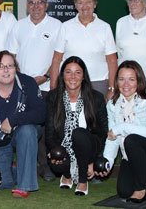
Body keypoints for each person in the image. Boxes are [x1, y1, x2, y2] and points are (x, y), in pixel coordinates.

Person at [0, 51, 46, 198]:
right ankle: (17, 168)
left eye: (10, 66)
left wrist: (13, 120)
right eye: (0, 66)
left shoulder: (28, 83)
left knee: (26, 131)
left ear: (16, 69)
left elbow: (42, 114)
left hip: (25, 132)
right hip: (0, 142)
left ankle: (24, 186)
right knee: (2, 183)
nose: (6, 70)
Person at [8, 0, 61, 182]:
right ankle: (28, 165)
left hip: (47, 86)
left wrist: (46, 76)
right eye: (32, 3)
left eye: (40, 3)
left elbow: (58, 57)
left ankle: (47, 166)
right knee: (27, 126)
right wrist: (24, 80)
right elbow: (12, 55)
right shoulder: (18, 26)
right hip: (22, 88)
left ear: (46, 5)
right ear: (27, 5)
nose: (36, 6)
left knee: (47, 128)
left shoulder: (56, 26)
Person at [97, 60, 146, 202]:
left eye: (131, 79)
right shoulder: (113, 104)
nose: (126, 84)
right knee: (124, 191)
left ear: (139, 80)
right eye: (121, 79)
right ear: (116, 81)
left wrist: (120, 128)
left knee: (131, 139)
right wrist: (108, 161)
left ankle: (140, 189)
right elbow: (112, 136)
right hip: (130, 154)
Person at [45, 56, 107, 196]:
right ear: (62, 75)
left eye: (78, 72)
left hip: (89, 144)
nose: (73, 76)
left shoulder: (96, 98)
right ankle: (67, 175)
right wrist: (53, 151)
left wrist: (93, 160)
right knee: (57, 158)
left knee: (78, 133)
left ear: (84, 76)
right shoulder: (53, 97)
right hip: (65, 146)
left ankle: (82, 180)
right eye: (68, 72)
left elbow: (102, 132)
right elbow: (49, 132)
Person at [51, 0, 117, 99]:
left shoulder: (105, 27)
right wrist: (53, 87)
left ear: (95, 4)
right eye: (80, 2)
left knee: (97, 116)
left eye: (88, 2)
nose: (84, 6)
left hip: (98, 83)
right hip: (71, 83)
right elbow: (57, 59)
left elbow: (112, 60)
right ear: (75, 6)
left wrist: (112, 88)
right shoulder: (65, 27)